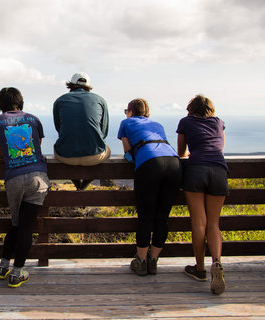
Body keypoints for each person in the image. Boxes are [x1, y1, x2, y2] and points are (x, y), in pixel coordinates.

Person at [0, 87, 50, 288]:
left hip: (13, 178)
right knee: (26, 226)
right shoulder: (34, 120)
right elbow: (37, 145)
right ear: (20, 101)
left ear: (1, 103)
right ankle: (17, 273)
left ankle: (3, 266)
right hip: (36, 177)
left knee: (16, 224)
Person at [117, 98, 181, 276]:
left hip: (150, 164)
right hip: (174, 164)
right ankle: (154, 261)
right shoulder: (157, 124)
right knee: (162, 216)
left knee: (146, 216)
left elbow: (128, 152)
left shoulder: (126, 122)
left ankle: (141, 261)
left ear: (130, 111)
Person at [177, 94, 228, 295]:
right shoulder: (219, 123)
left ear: (191, 108)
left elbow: (181, 152)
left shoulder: (185, 122)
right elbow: (220, 148)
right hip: (218, 170)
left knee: (199, 223)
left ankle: (200, 269)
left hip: (196, 169)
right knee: (214, 223)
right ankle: (217, 262)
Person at [53, 72, 110, 190]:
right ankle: (84, 185)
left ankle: (77, 183)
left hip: (65, 156)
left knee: (58, 147)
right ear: (88, 86)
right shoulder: (100, 100)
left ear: (71, 84)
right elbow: (103, 133)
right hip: (94, 157)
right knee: (107, 149)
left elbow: (59, 129)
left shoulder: (59, 101)